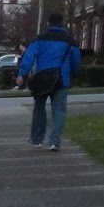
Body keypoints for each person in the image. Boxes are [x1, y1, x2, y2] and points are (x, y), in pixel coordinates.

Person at [16, 14, 82, 151]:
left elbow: (29, 57)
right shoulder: (70, 41)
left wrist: (22, 74)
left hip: (41, 78)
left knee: (39, 109)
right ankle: (55, 141)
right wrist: (73, 74)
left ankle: (37, 139)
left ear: (48, 23)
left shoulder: (39, 39)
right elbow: (76, 61)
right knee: (59, 111)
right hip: (61, 78)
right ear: (62, 23)